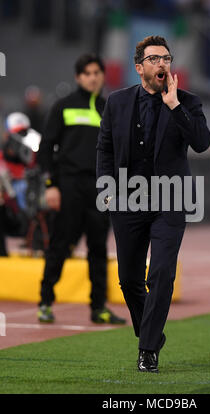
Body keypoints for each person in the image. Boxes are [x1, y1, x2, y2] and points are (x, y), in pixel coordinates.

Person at [96, 36, 210, 372]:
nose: (162, 64)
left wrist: (175, 107)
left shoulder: (188, 102)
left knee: (160, 273)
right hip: (127, 200)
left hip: (170, 199)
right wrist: (105, 188)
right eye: (154, 58)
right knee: (129, 279)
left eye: (166, 58)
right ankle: (152, 333)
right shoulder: (116, 102)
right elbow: (105, 148)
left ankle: (147, 349)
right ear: (139, 67)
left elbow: (202, 143)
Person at [37, 53, 126, 325]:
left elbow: (118, 151)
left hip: (99, 189)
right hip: (69, 185)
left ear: (102, 76)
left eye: (97, 72)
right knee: (61, 245)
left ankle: (98, 307)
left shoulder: (109, 109)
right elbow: (45, 149)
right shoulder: (63, 106)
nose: (93, 77)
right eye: (87, 73)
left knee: (98, 248)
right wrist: (51, 185)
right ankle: (45, 301)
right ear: (78, 77)